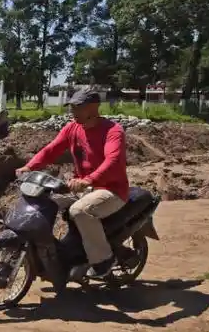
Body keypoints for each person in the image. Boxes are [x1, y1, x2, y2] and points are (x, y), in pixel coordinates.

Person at [15, 88, 129, 279]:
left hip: (111, 189)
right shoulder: (72, 128)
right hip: (83, 186)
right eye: (72, 107)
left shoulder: (112, 131)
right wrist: (29, 166)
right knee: (44, 200)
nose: (73, 111)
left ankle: (103, 259)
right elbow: (51, 150)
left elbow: (113, 161)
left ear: (93, 107)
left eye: (78, 107)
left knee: (79, 211)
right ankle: (54, 253)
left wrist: (88, 180)